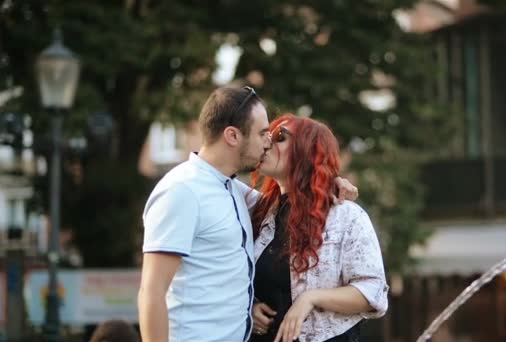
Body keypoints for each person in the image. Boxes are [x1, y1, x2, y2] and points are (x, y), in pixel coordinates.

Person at [138, 87, 358, 342]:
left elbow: (292, 200)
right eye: (263, 133)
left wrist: (330, 183)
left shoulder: (232, 190)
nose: (268, 142)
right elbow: (152, 292)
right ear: (232, 136)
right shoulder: (182, 191)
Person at [250, 114, 388, 342]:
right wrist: (250, 306)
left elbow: (372, 291)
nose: (267, 143)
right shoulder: (256, 212)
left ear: (307, 153)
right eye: (267, 136)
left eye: (280, 137)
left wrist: (310, 298)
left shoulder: (346, 216)